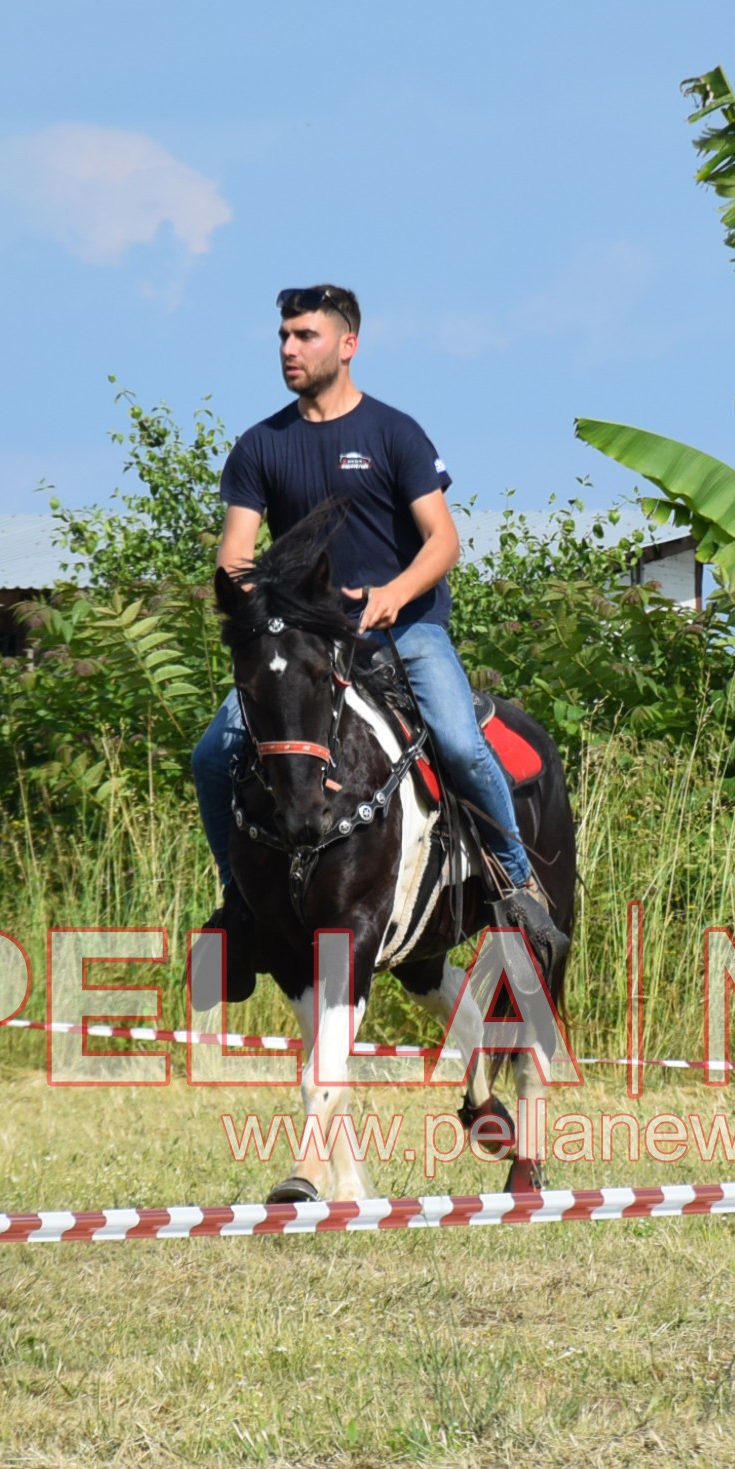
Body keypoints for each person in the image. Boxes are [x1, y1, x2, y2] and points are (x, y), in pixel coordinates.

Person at [193, 283, 569, 961]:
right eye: (283, 336)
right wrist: (260, 606)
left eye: (305, 336)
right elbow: (236, 558)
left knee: (458, 742)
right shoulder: (258, 447)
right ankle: (238, 907)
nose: (289, 349)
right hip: (307, 643)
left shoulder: (395, 432)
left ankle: (518, 887)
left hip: (406, 630)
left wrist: (394, 594)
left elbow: (444, 541)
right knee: (211, 758)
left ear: (348, 344)